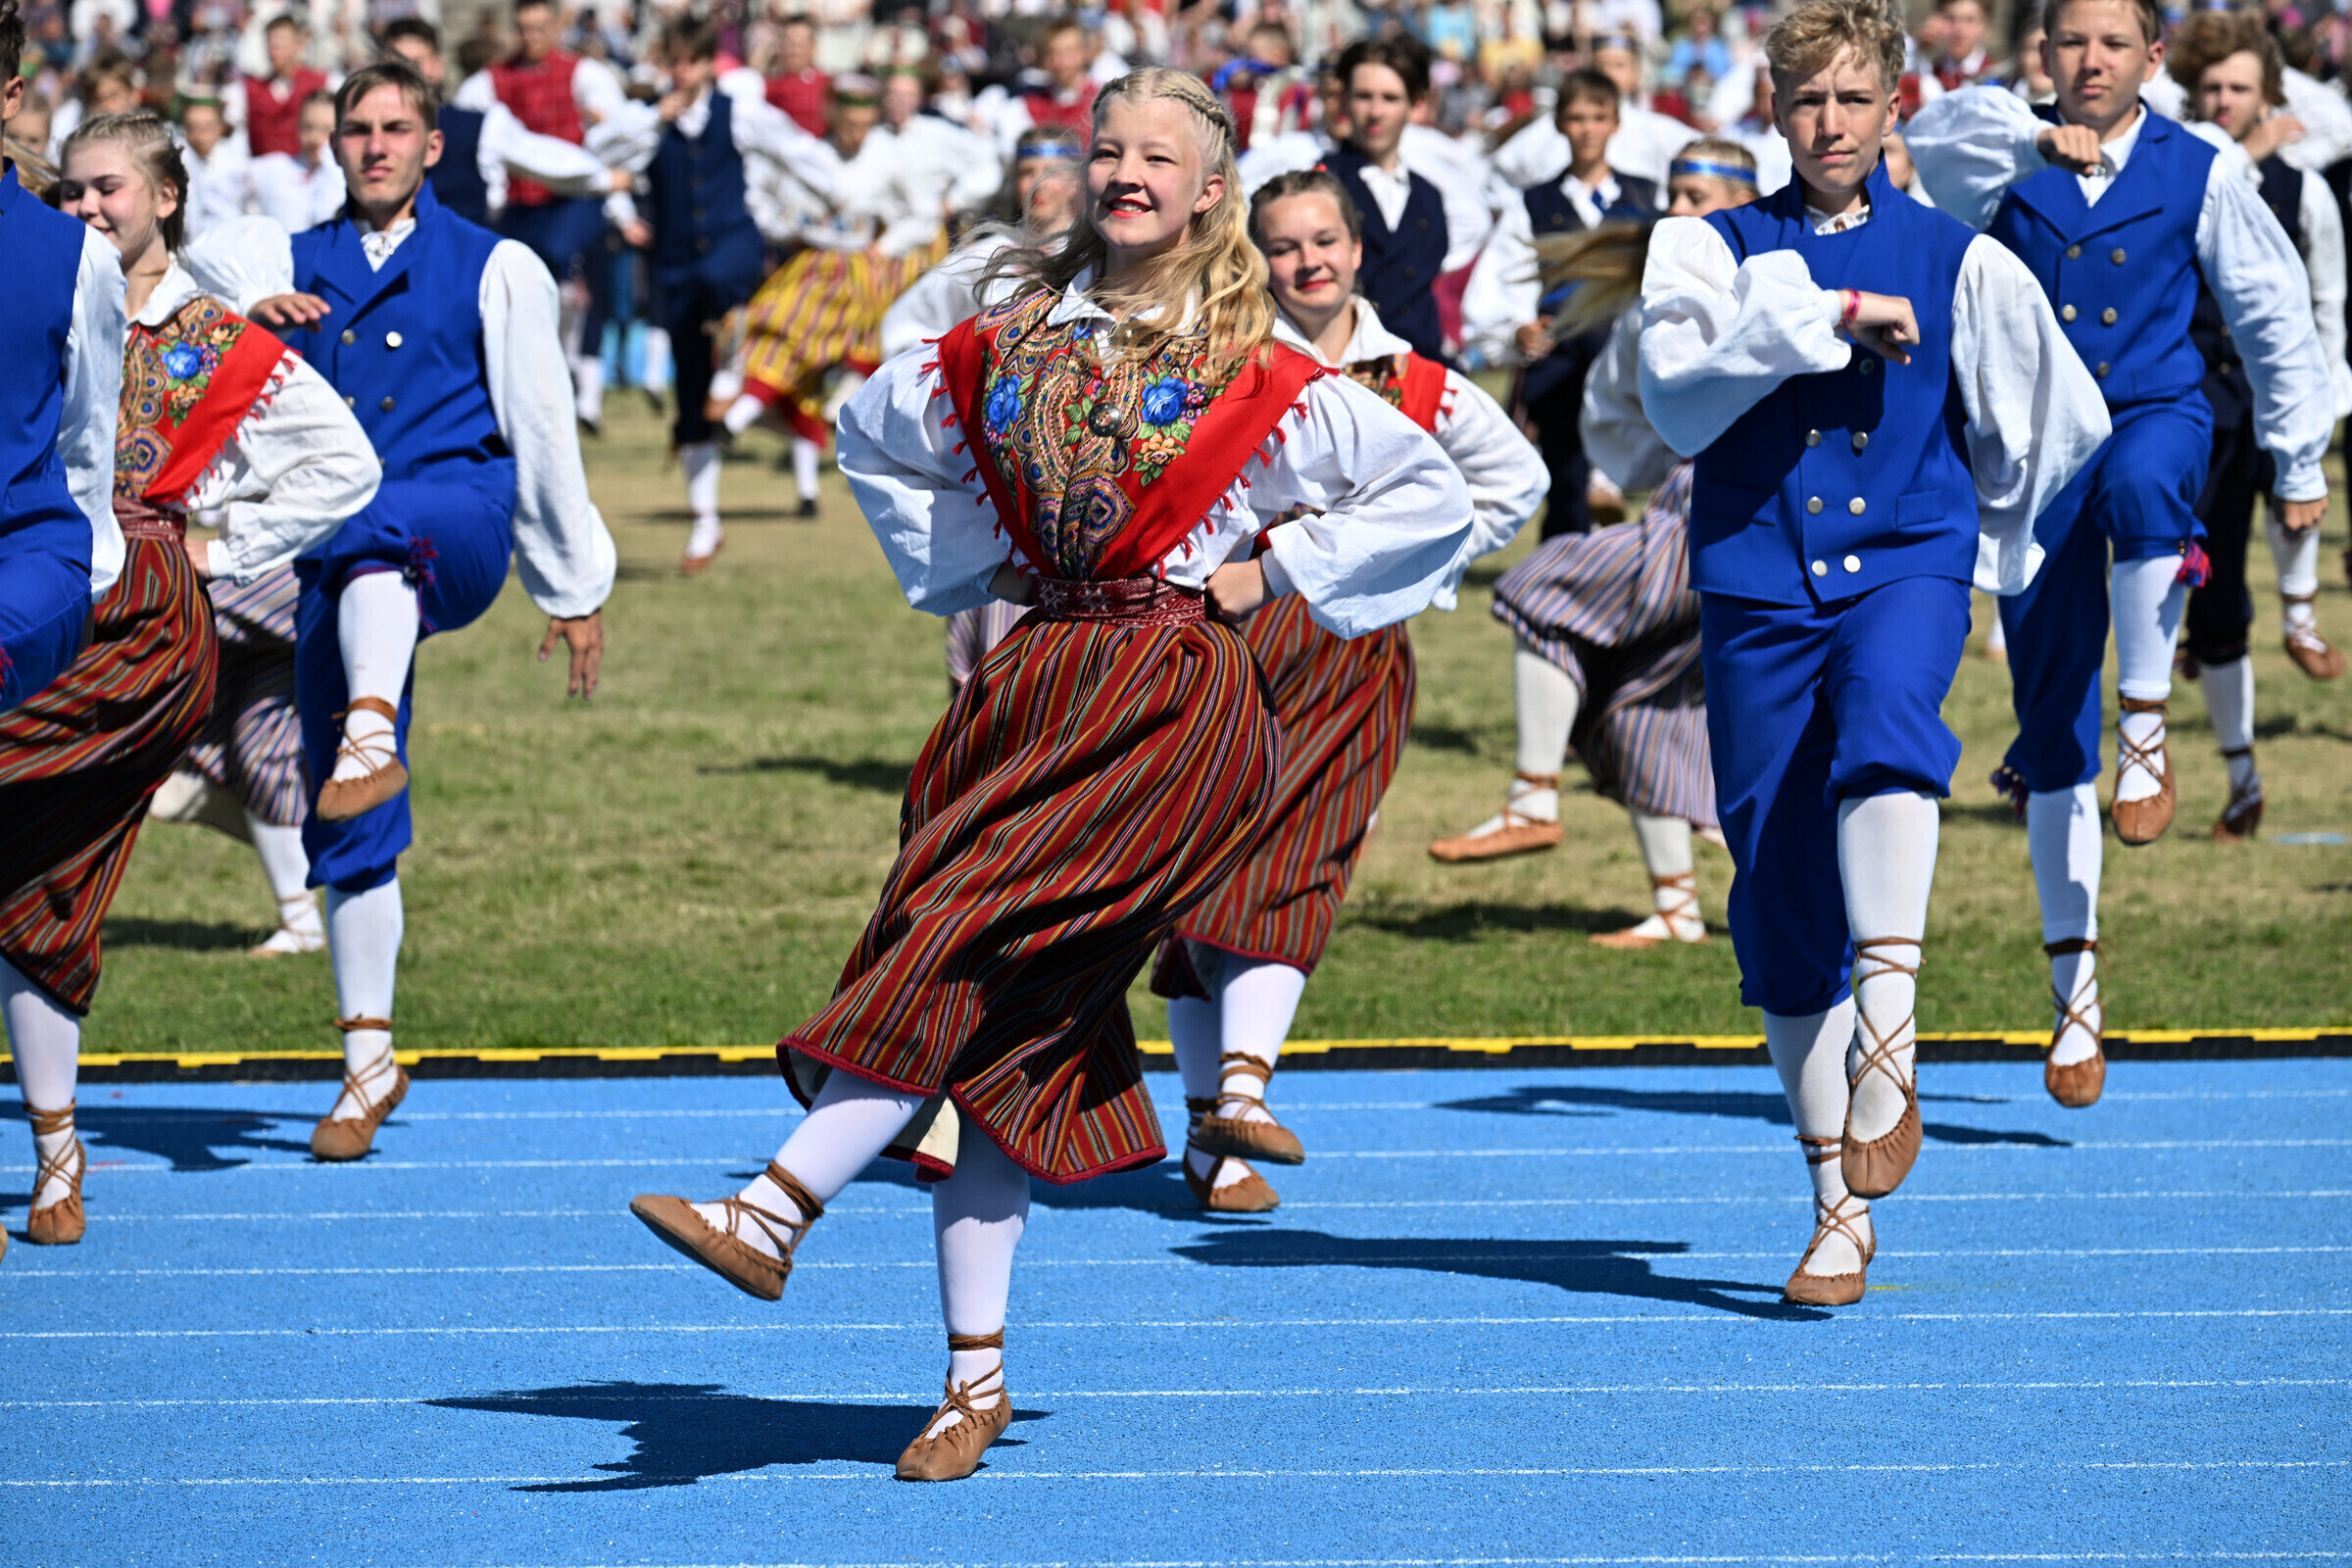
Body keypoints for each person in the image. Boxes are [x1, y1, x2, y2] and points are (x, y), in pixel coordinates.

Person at [627, 69, 1470, 1481]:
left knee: (957, 927)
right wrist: (983, 561)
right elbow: (872, 430)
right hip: (1039, 679)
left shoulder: (1259, 363)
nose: (1127, 173)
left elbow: (1426, 492)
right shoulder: (1008, 337)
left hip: (1173, 698)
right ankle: (973, 1382)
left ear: (1212, 191)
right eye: (1108, 150)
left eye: (1160, 157)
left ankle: (774, 1208)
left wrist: (1274, 571)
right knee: (1009, 1031)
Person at [1640, 0, 2107, 1302]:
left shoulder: (1965, 258)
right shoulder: (1707, 244)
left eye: (1854, 98)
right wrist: (1832, 312)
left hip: (1908, 558)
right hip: (1754, 580)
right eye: (1808, 101)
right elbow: (1675, 396)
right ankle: (1835, 1205)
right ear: (1773, 112)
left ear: (1894, 105)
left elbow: (2055, 420)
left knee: (1896, 714)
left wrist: (1987, 546)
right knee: (1776, 890)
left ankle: (1891, 1030)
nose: (1831, 123)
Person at [188, 59, 615, 1163]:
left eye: (394, 129)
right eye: (356, 129)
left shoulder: (496, 264)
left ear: (432, 147)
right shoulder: (286, 258)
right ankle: (367, 1063)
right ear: (331, 145)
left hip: (459, 515)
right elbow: (187, 273)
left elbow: (542, 423)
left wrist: (572, 584)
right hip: (338, 559)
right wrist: (249, 312)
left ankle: (370, 731)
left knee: (378, 524)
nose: (374, 146)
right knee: (346, 818)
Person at [1907, 0, 2332, 1106]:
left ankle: (2147, 722)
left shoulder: (2204, 167)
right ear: (2044, 52)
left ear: (2154, 56)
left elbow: (2274, 311)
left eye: (2113, 43)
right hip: (2037, 447)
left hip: (2156, 410)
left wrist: (2298, 458)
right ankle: (2075, 997)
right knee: (2051, 725)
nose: (2090, 61)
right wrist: (2031, 141)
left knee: (2149, 480)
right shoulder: (2001, 146)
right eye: (2070, 42)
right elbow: (1934, 139)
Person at [4, 109, 377, 1257]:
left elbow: (344, 463)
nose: (86, 207)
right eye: (71, 190)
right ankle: (57, 1158)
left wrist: (219, 547)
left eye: (108, 188)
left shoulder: (209, 333)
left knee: (43, 873)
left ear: (165, 198)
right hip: (43, 591)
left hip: (134, 619)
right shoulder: (49, 292)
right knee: (39, 889)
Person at [1153, 168, 1543, 1214]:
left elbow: (1516, 483)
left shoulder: (1419, 381)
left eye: (1324, 240)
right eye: (1283, 246)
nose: (1307, 262)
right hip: (1221, 643)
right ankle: (1212, 1131)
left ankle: (1244, 1092)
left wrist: (1409, 570)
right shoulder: (1222, 360)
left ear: (1358, 250)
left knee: (1297, 862)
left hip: (1349, 656)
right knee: (1193, 880)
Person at [1431, 140, 1762, 953]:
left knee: (1542, 584)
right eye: (1674, 192)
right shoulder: (1659, 296)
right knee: (1640, 713)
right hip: (1688, 505)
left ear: (1743, 201)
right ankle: (1679, 909)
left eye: (1697, 195)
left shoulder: (1767, 285)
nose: (1677, 209)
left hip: (1731, 519)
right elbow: (1618, 406)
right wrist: (1622, 472)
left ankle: (1533, 795)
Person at [2164, 10, 2350, 842]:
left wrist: (2328, 391)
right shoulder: (2179, 174)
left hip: (2278, 394)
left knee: (2295, 498)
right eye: (2210, 88)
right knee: (2209, 590)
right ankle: (2241, 778)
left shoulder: (2305, 188)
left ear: (2268, 94)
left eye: (2239, 88)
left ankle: (2302, 614)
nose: (2223, 101)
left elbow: (2328, 299)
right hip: (2200, 402)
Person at [593, 16, 839, 573]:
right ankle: (705, 522)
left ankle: (734, 365)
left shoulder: (739, 111)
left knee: (717, 277)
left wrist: (832, 194)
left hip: (733, 245)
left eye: (690, 62)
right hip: (674, 263)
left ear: (708, 64)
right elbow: (597, 154)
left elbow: (795, 149)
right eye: (673, 62)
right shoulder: (648, 116)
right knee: (691, 398)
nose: (680, 73)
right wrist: (629, 195)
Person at [716, 72, 991, 514]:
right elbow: (771, 209)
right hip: (815, 266)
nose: (857, 134)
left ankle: (761, 404)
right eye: (849, 125)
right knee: (790, 337)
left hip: (865, 270)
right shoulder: (810, 156)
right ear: (832, 116)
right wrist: (795, 227)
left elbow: (920, 216)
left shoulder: (887, 157)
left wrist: (883, 248)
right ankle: (785, 448)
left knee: (804, 328)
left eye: (864, 125)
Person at [874, 127, 1084, 692]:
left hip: (1080, 472)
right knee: (992, 650)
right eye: (1026, 171)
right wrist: (950, 389)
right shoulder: (989, 257)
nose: (1038, 184)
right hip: (995, 475)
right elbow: (906, 328)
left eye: (1053, 171)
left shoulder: (1103, 256)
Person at [1463, 68, 1661, 538]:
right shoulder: (1535, 202)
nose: (1587, 129)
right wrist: (1517, 327)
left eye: (1598, 117)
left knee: (1641, 487)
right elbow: (1506, 269)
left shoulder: (1646, 196)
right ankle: (1563, 564)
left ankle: (1613, 515)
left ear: (1616, 124)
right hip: (1561, 364)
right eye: (1576, 118)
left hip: (1627, 363)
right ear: (1558, 124)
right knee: (1566, 487)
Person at [0, 0, 122, 723]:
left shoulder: (78, 257)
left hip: (26, 558)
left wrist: (83, 579)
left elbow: (88, 437)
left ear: (10, 96)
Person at [455, 0, 630, 431]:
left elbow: (617, 140)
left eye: (538, 28)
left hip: (575, 199)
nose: (531, 37)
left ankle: (583, 386)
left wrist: (620, 205)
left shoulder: (586, 75)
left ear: (555, 27)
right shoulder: (489, 82)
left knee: (567, 261)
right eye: (523, 28)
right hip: (520, 207)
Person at [384, 20, 627, 232]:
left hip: (459, 259)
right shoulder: (365, 133)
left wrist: (603, 178)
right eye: (394, 66)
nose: (404, 75)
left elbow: (541, 156)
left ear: (437, 64)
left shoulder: (476, 126)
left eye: (415, 63)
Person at [1316, 35, 1452, 363]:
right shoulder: (1318, 186)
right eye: (1364, 96)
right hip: (1344, 371)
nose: (1375, 112)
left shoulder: (1429, 196)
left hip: (1421, 369)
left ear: (1416, 104)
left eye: (1390, 98)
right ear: (1344, 101)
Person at [243, 89, 343, 232]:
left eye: (325, 129)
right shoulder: (274, 168)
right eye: (308, 127)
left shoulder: (346, 179)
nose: (315, 137)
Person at [232, 15, 330, 160]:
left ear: (298, 44)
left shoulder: (322, 83)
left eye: (281, 43)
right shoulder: (249, 89)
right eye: (271, 43)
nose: (274, 50)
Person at [177, 97, 249, 243]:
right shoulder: (180, 159)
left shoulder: (235, 163)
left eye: (206, 128)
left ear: (220, 127)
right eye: (193, 128)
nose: (200, 136)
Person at [762, 14, 828, 138]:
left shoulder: (827, 85)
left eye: (799, 44)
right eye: (788, 43)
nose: (793, 51)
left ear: (813, 46)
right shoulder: (768, 87)